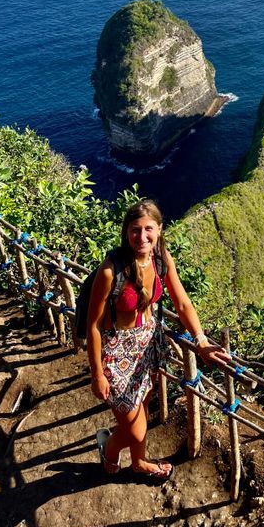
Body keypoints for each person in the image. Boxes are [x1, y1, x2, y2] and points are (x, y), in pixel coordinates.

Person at [86, 198, 230, 479]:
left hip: (148, 343)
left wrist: (201, 340)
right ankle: (109, 450)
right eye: (135, 230)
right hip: (116, 353)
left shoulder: (161, 259)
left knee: (143, 408)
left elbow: (183, 303)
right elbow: (93, 326)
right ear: (126, 232)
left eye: (148, 229)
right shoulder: (109, 272)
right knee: (136, 426)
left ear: (160, 230)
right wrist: (97, 375)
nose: (142, 237)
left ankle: (138, 463)